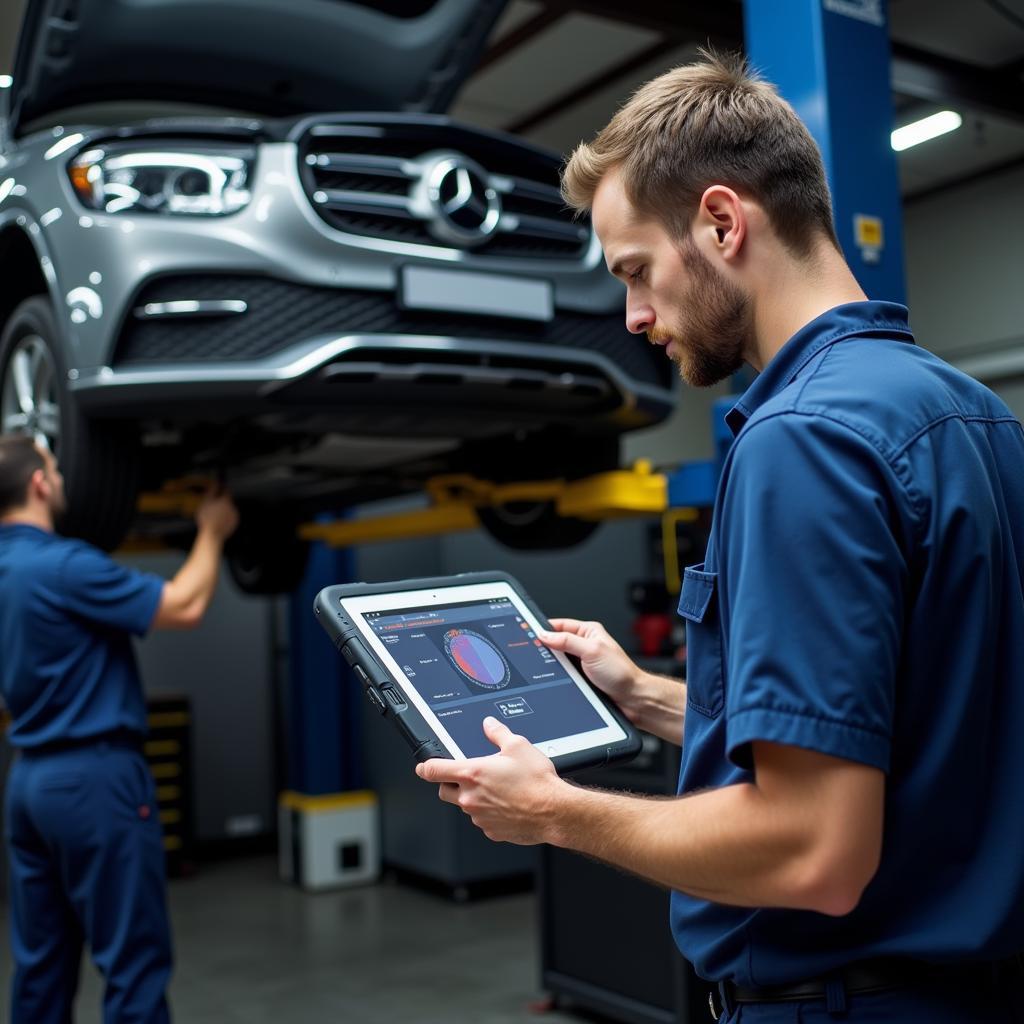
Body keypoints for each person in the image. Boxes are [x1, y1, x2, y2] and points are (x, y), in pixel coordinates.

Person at [416, 52, 1024, 1022]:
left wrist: (557, 813)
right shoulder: (967, 411)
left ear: (721, 221)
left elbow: (813, 850)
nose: (635, 316)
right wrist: (650, 697)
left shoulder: (804, 441)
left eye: (636, 272)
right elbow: (912, 722)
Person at [0, 436, 239, 1023]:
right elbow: (183, 605)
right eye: (55, 467)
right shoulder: (61, 564)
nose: (61, 476)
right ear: (38, 484)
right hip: (94, 780)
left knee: (40, 966)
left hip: (27, 782)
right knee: (133, 963)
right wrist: (212, 529)